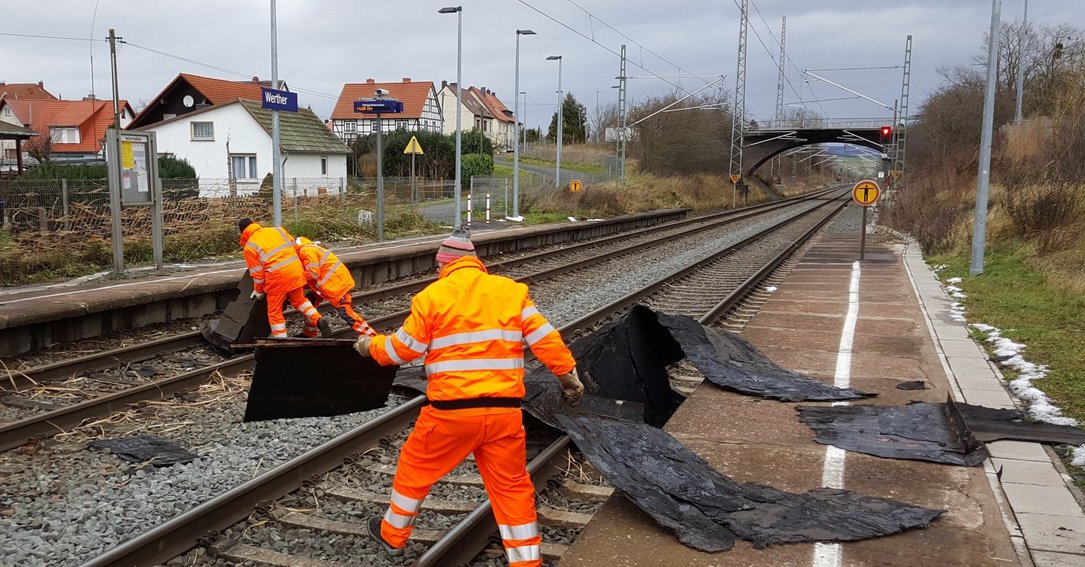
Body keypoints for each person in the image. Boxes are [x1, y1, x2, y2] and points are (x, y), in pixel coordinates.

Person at [354, 228, 584, 566]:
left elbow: (402, 350)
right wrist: (568, 378)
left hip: (451, 414)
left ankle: (392, 535)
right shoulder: (511, 292)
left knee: (415, 469)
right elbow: (546, 340)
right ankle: (526, 561)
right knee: (512, 488)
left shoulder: (432, 297)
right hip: (504, 414)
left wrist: (368, 346)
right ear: (476, 263)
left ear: (443, 265)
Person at [238, 218, 330, 339]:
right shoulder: (278, 231)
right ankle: (318, 319)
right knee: (300, 301)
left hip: (276, 279)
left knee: (274, 312)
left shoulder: (249, 247)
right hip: (295, 272)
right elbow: (295, 247)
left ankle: (281, 341)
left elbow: (258, 274)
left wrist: (259, 290)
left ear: (243, 232)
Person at [294, 236, 376, 337]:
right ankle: (309, 332)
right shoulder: (305, 249)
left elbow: (313, 274)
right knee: (309, 303)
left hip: (335, 285)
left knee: (346, 313)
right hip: (327, 284)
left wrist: (294, 281)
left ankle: (372, 337)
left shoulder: (306, 251)